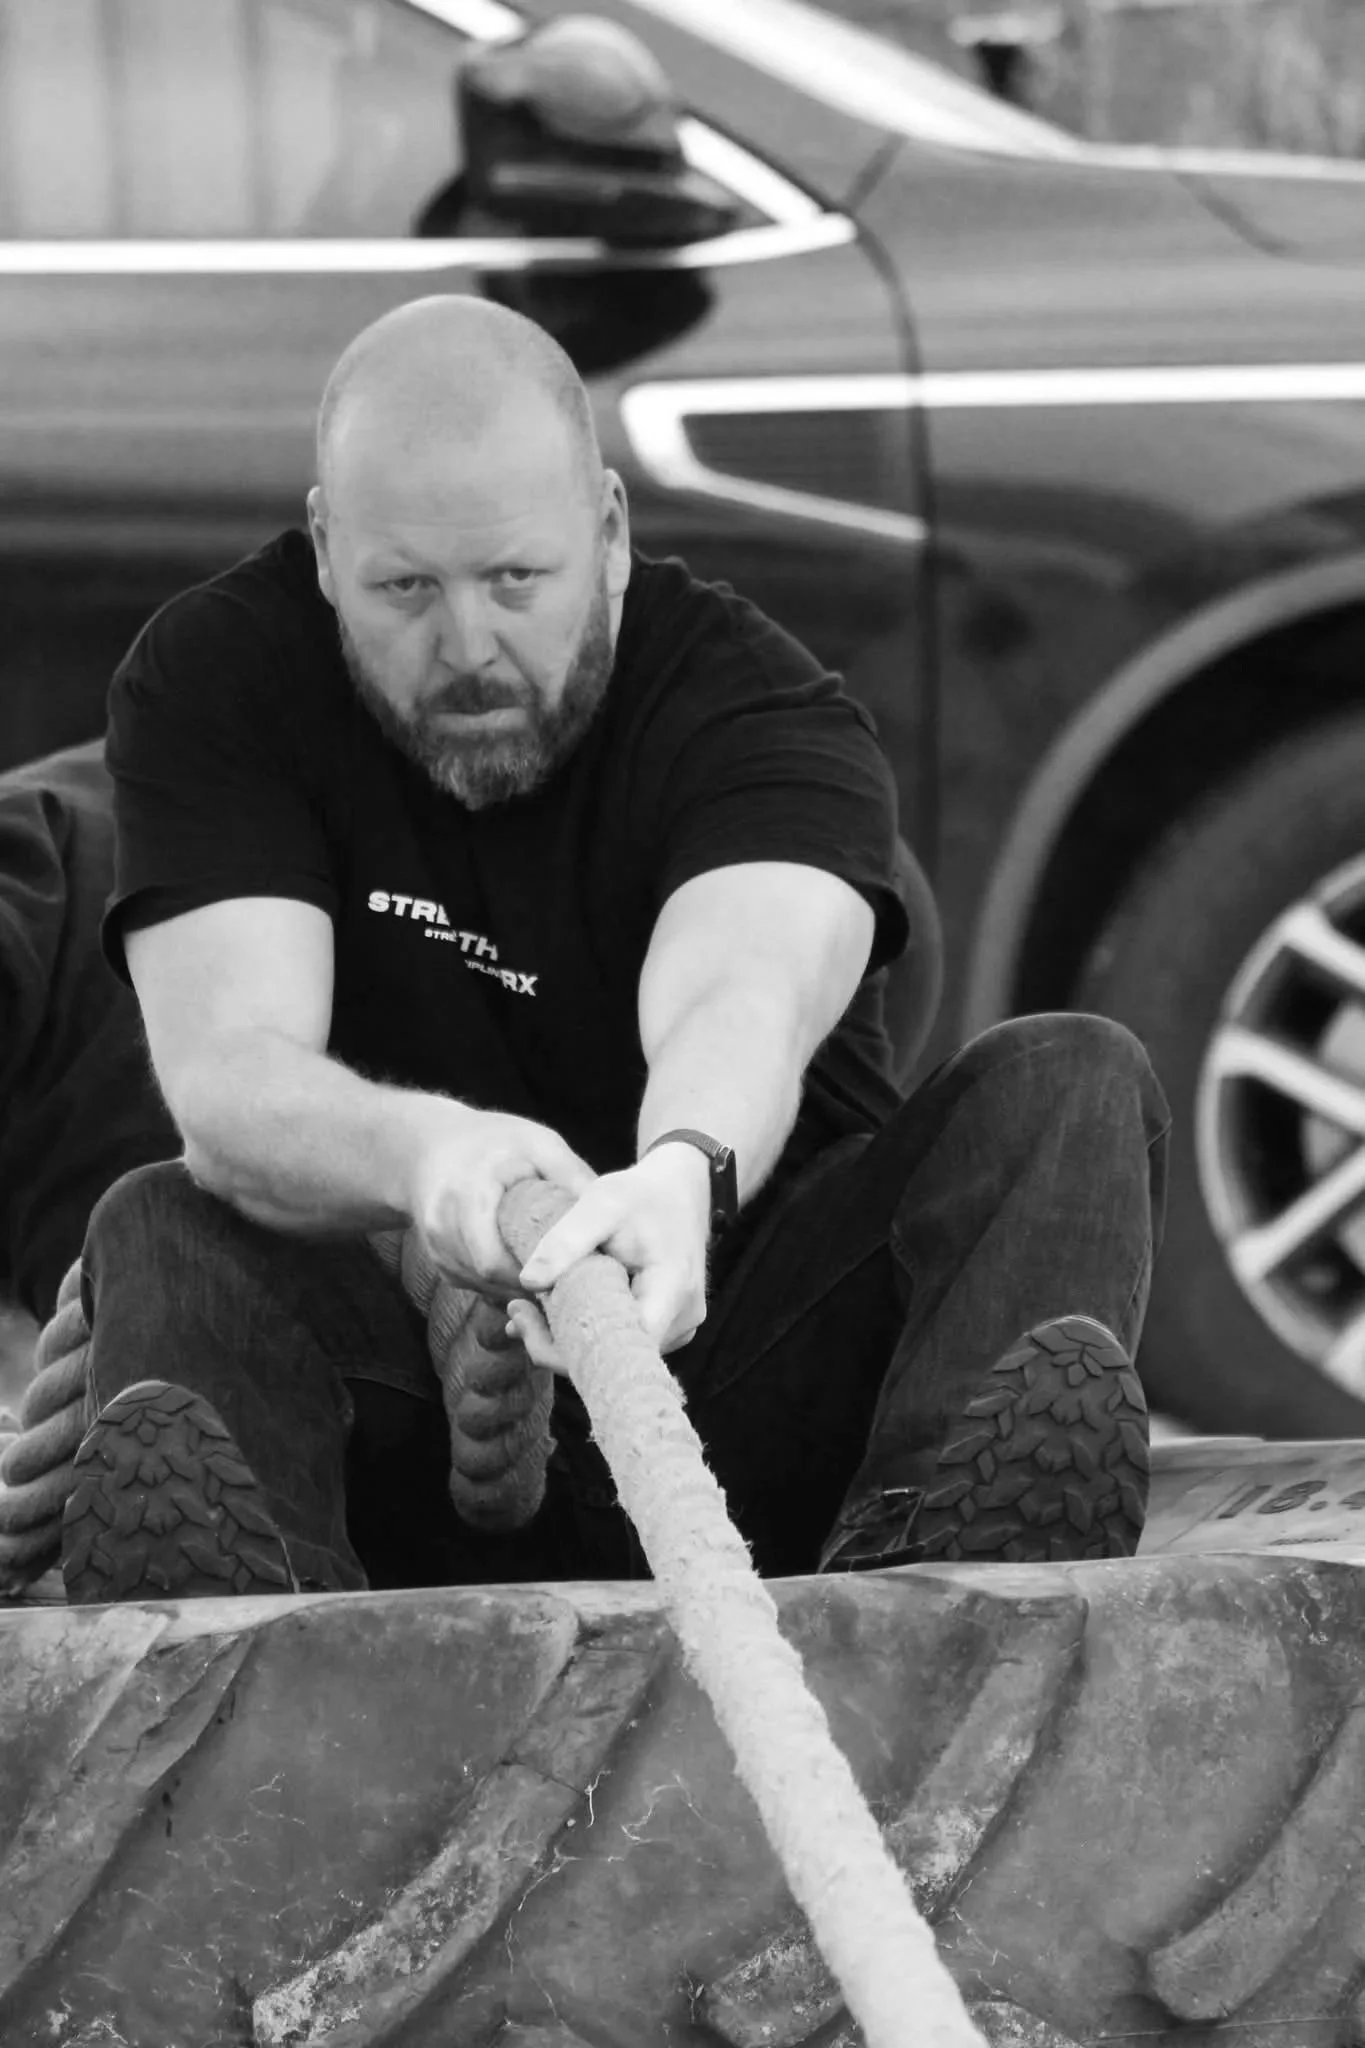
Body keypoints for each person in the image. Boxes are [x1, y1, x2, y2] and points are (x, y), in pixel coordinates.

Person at [68, 294, 1169, 1606]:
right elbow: (231, 1075)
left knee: (1071, 1083)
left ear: (609, 531)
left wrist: (682, 1174)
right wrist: (432, 1158)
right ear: (323, 549)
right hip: (396, 1420)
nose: (467, 647)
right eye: (405, 588)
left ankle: (943, 1599)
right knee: (162, 1223)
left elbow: (741, 988)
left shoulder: (756, 705)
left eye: (515, 581)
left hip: (746, 1383)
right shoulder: (218, 677)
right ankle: (241, 1645)